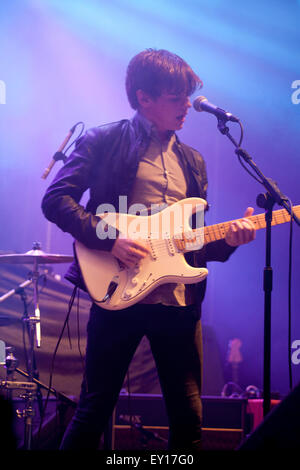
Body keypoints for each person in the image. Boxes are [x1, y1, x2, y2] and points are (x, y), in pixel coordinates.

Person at [41, 49, 256, 451]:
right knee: (94, 409)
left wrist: (227, 242)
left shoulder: (193, 161)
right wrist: (111, 238)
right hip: (116, 292)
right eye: (177, 97)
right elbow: (55, 199)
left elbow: (187, 246)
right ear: (144, 98)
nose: (188, 106)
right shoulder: (104, 139)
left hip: (178, 301)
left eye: (188, 96)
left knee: (188, 419)